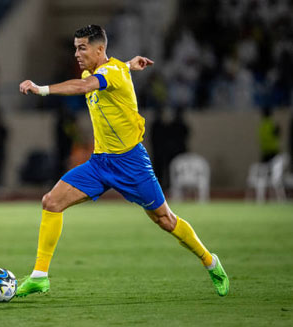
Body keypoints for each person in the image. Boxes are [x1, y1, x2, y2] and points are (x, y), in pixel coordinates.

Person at [17, 25, 229, 298]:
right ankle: (39, 276)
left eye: (82, 48)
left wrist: (40, 89)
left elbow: (86, 85)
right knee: (51, 202)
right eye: (75, 48)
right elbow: (111, 71)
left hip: (131, 164)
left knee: (165, 220)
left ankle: (210, 262)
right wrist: (130, 64)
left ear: (99, 49)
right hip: (99, 164)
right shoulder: (109, 69)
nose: (76, 54)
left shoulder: (104, 74)